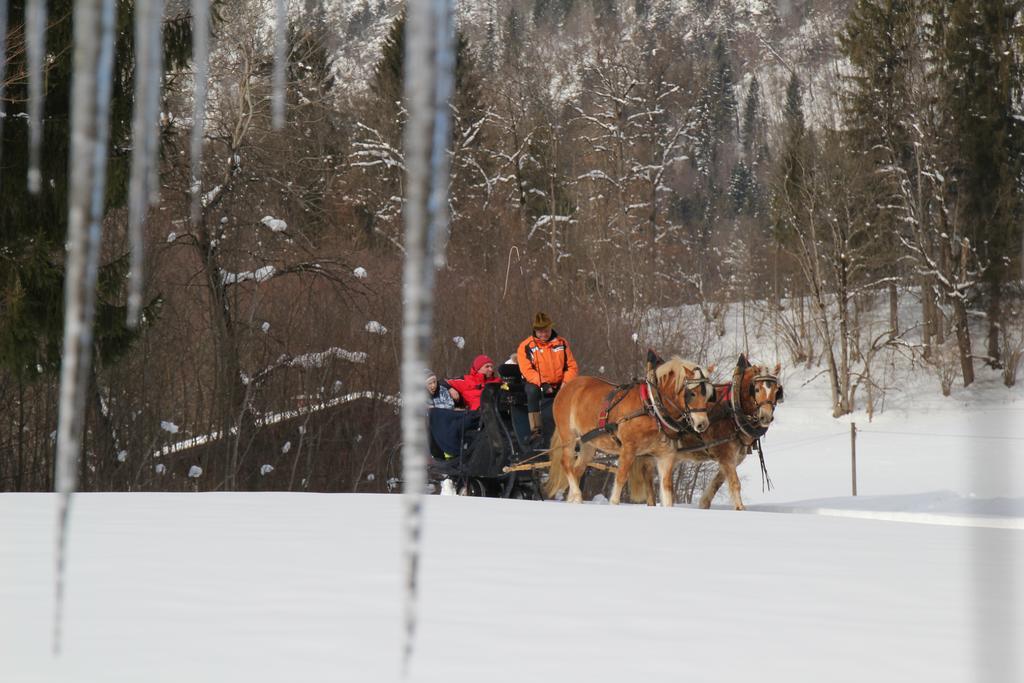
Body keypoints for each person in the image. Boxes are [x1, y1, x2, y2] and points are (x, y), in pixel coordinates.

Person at [516, 311, 578, 444]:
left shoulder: (562, 343)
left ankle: (573, 428)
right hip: (536, 383)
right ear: (535, 330)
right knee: (532, 391)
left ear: (551, 328)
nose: (543, 335)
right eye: (540, 332)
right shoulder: (526, 346)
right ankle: (536, 429)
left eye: (546, 331)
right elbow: (527, 370)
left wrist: (566, 382)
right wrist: (543, 384)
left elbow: (571, 366)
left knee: (577, 392)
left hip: (560, 383)